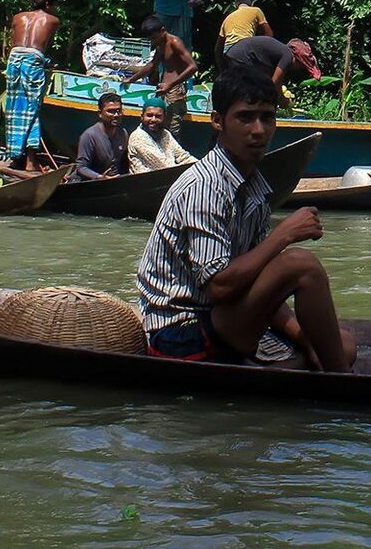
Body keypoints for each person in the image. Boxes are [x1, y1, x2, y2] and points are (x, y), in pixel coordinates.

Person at [137, 59, 356, 370]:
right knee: (302, 264)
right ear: (218, 121)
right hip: (180, 333)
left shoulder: (252, 183)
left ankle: (304, 368)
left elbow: (253, 279)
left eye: (267, 118)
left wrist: (304, 337)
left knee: (343, 346)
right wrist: (283, 235)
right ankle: (344, 385)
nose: (258, 130)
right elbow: (219, 286)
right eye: (245, 117)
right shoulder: (205, 186)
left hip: (224, 319)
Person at [0, 0, 61, 168]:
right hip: (32, 60)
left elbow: (13, 43)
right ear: (48, 4)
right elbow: (44, 46)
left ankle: (14, 152)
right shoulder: (53, 20)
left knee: (14, 108)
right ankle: (30, 161)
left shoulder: (18, 17)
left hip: (14, 60)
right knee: (32, 108)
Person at [124, 17, 200, 102]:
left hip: (175, 90)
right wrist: (132, 79)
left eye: (154, 38)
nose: (153, 41)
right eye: (151, 39)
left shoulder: (174, 42)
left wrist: (170, 85)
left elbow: (193, 67)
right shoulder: (160, 44)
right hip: (164, 88)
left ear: (162, 30)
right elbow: (152, 65)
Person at [222, 33, 319, 98]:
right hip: (242, 56)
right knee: (247, 91)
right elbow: (275, 83)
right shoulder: (288, 56)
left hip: (235, 53)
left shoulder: (280, 52)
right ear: (298, 60)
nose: (296, 69)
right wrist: (282, 100)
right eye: (300, 66)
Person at [73, 92, 131, 181]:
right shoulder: (89, 136)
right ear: (100, 113)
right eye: (110, 111)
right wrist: (99, 177)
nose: (116, 115)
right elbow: (81, 167)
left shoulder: (123, 134)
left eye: (118, 111)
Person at [129, 96, 198, 172]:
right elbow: (164, 166)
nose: (153, 120)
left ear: (164, 118)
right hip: (147, 178)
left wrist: (200, 166)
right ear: (142, 117)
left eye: (158, 116)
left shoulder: (165, 134)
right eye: (149, 115)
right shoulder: (138, 137)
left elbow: (182, 156)